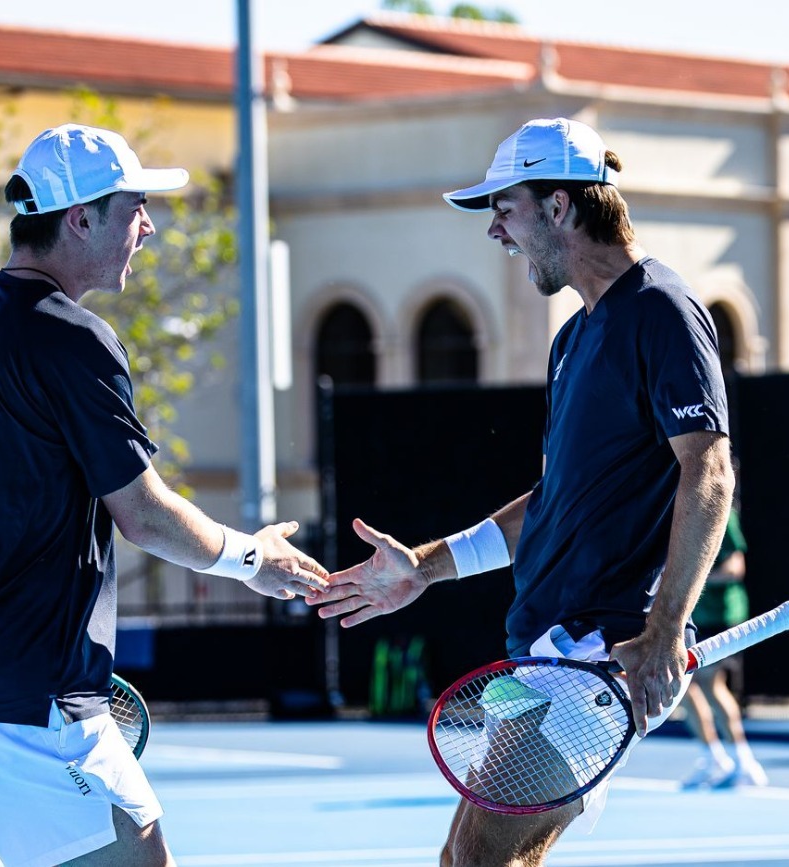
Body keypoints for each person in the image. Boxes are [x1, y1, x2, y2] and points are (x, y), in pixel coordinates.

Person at [0, 123, 328, 867]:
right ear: (80, 218)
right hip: (26, 701)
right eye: (134, 206)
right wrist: (252, 558)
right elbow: (142, 514)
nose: (148, 224)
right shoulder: (74, 338)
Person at [311, 117, 735, 867]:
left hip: (607, 652)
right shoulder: (574, 339)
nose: (495, 232)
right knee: (464, 858)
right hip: (548, 649)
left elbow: (710, 469)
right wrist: (424, 565)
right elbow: (552, 500)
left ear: (560, 207)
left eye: (504, 209)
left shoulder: (662, 309)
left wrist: (667, 627)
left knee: (481, 862)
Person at [681, 508, 768, 789]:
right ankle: (713, 757)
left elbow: (734, 568)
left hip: (722, 616)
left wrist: (688, 581)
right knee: (683, 689)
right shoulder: (675, 508)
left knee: (711, 683)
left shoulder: (719, 510)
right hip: (694, 617)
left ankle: (745, 763)